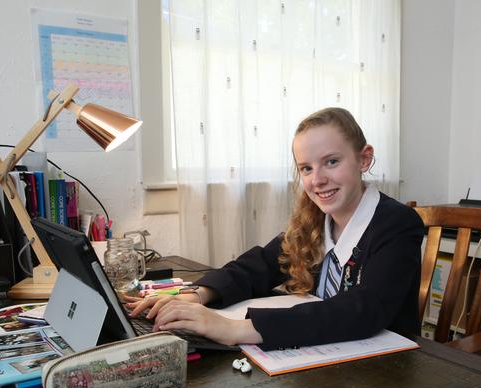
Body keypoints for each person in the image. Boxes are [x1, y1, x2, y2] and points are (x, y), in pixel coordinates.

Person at [126, 107, 424, 349]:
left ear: (364, 158)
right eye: (306, 168)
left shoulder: (397, 224)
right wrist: (197, 294)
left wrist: (235, 328)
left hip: (384, 373)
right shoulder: (316, 220)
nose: (317, 180)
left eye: (331, 162)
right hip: (324, 362)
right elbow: (258, 266)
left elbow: (362, 309)